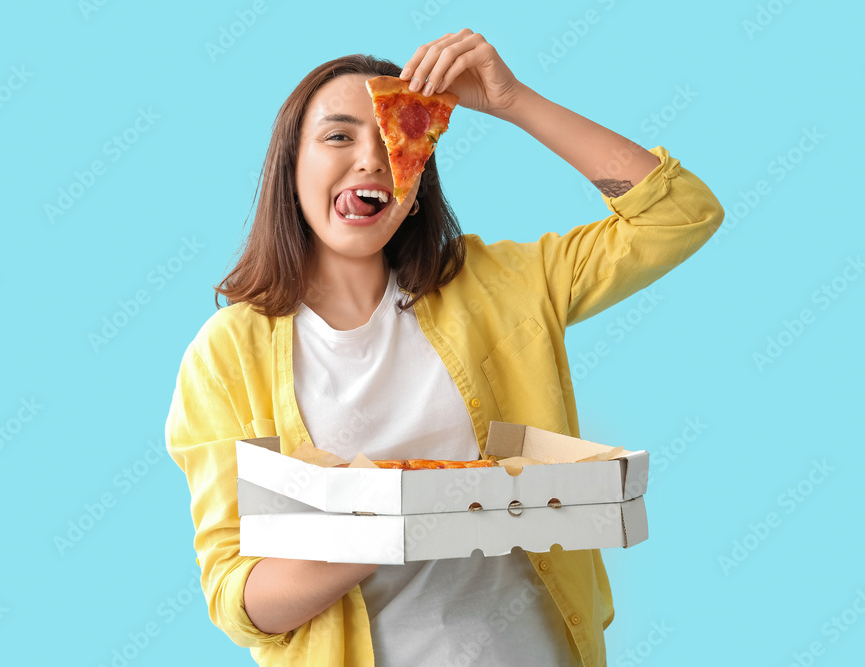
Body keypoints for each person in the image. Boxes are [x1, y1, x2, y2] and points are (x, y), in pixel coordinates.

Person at [165, 29, 724, 667]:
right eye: (340, 135)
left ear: (416, 176)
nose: (371, 161)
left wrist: (513, 102)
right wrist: (386, 526)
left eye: (394, 139)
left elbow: (681, 214)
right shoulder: (227, 354)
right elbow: (240, 600)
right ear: (290, 164)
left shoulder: (503, 284)